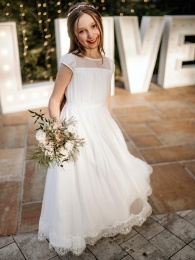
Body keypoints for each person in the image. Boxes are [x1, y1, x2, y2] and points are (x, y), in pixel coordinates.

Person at [38, 2, 153, 256]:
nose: (90, 35)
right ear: (74, 35)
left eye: (93, 27)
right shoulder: (71, 61)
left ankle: (102, 213)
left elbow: (105, 99)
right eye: (82, 31)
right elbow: (55, 100)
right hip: (75, 123)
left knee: (104, 170)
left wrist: (106, 125)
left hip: (100, 121)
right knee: (77, 176)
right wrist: (58, 132)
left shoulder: (107, 63)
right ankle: (77, 223)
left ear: (100, 25)